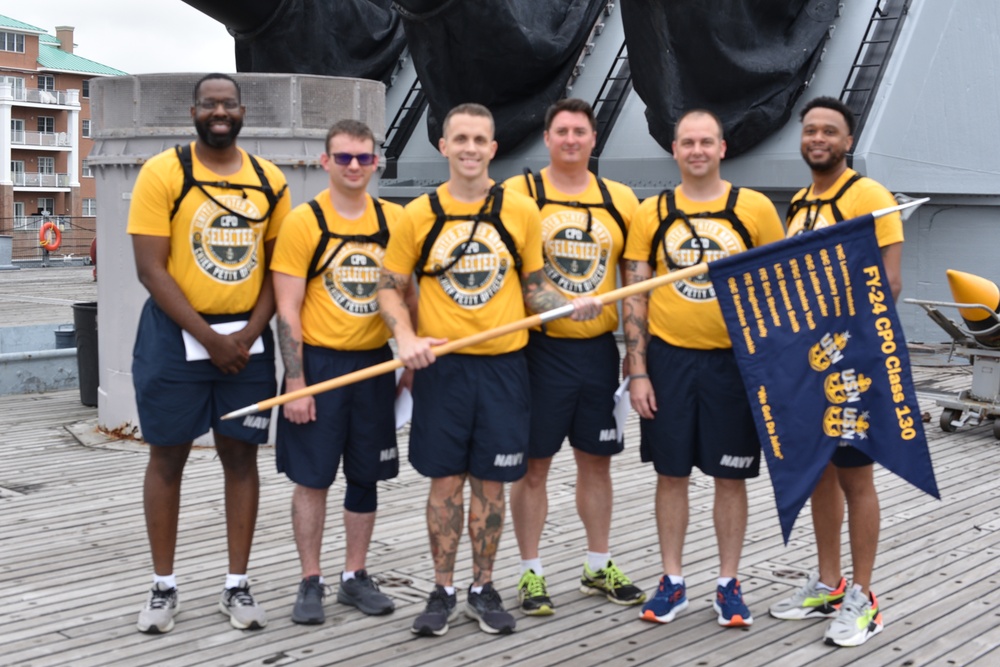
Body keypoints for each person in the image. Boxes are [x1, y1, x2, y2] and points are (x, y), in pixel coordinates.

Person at [377, 103, 602, 637]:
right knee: (444, 484)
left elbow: (533, 287)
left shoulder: (519, 210)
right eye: (461, 139)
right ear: (444, 146)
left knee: (493, 485)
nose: (471, 149)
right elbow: (388, 285)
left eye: (481, 139)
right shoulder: (419, 214)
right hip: (444, 370)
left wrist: (569, 300)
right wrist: (404, 337)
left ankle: (482, 586)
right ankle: (442, 589)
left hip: (504, 368)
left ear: (493, 148)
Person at [128, 73, 290, 634]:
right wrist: (210, 337)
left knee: (241, 457)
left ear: (242, 112)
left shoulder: (270, 180)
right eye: (209, 104)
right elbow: (150, 268)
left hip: (246, 342)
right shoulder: (163, 172)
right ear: (194, 111)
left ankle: (235, 586)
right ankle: (163, 587)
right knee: (167, 456)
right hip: (177, 339)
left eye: (228, 104)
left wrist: (246, 336)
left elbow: (279, 268)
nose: (219, 112)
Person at [622, 109, 784, 628]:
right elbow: (636, 297)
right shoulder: (652, 212)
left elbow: (777, 290)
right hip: (669, 361)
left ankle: (727, 583)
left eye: (705, 142)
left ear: (722, 148)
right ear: (675, 150)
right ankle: (672, 581)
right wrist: (638, 369)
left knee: (728, 477)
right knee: (671, 474)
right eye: (687, 142)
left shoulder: (754, 209)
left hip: (733, 365)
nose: (696, 150)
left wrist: (772, 368)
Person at [768, 96, 902, 647]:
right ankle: (827, 581)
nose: (817, 138)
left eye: (830, 131)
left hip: (853, 361)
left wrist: (846, 338)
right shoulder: (799, 204)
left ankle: (863, 596)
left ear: (848, 142)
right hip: (809, 362)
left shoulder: (869, 196)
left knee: (855, 476)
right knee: (820, 468)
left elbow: (888, 283)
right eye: (810, 131)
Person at [502, 98, 643, 616]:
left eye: (580, 132)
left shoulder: (621, 199)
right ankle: (531, 573)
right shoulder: (519, 194)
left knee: (597, 462)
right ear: (547, 137)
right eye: (561, 131)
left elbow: (634, 283)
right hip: (539, 352)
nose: (571, 140)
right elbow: (509, 271)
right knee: (534, 466)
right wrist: (558, 305)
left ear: (594, 138)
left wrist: (635, 354)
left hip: (598, 353)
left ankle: (596, 564)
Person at [271, 119, 408, 625]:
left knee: (365, 478)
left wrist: (408, 361)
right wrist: (296, 382)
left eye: (364, 158)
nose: (355, 166)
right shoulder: (303, 222)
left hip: (375, 364)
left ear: (377, 163)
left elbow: (408, 294)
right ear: (325, 162)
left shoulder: (395, 220)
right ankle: (311, 579)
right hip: (320, 365)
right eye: (344, 157)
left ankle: (355, 575)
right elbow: (288, 309)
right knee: (313, 479)